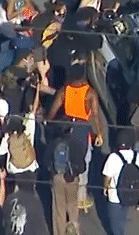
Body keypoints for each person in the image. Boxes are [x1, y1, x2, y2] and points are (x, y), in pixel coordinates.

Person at [46, 64, 104, 212]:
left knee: (64, 156)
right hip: (82, 130)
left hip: (65, 127)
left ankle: (62, 188)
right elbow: (95, 116)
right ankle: (81, 198)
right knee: (84, 162)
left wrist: (49, 121)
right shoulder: (90, 93)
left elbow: (53, 111)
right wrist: (99, 134)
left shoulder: (64, 90)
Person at [102, 129, 139, 235]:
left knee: (115, 224)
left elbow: (107, 177)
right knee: (122, 220)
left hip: (114, 196)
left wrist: (105, 188)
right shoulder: (136, 156)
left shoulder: (113, 157)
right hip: (129, 194)